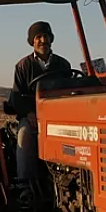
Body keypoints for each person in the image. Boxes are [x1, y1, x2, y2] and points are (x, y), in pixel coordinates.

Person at [8, 21, 72, 186]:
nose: (43, 40)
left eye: (46, 36)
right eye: (39, 37)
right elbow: (16, 96)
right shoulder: (23, 66)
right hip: (32, 116)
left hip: (59, 115)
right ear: (32, 41)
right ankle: (25, 185)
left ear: (51, 39)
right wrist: (29, 114)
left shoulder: (63, 65)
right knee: (25, 136)